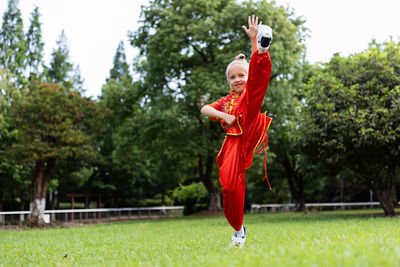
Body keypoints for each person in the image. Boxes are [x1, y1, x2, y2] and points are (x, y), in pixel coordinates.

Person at [200, 15, 273, 247]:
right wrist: (224, 116)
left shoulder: (247, 89)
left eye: (241, 75)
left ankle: (263, 49)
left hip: (249, 120)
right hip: (233, 142)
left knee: (255, 89)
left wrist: (254, 43)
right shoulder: (224, 101)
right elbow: (204, 109)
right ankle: (238, 229)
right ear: (228, 81)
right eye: (233, 77)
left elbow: (255, 79)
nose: (237, 79)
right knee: (229, 186)